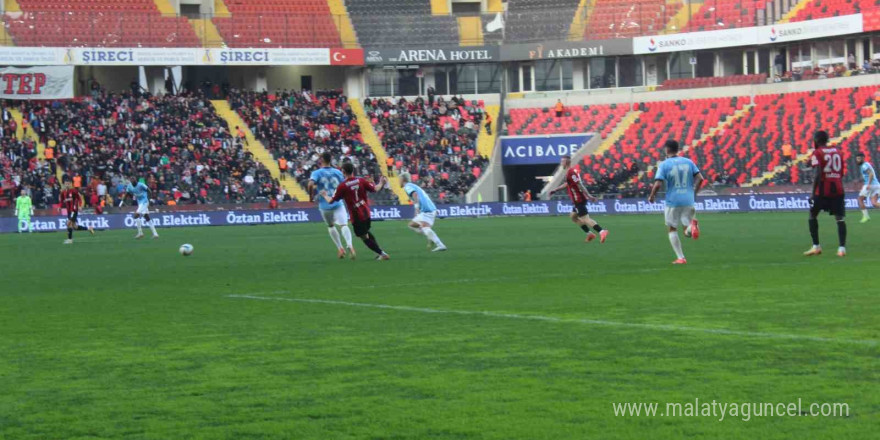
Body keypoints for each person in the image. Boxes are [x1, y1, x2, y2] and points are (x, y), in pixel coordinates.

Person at [648, 140, 703, 264]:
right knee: (686, 232)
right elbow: (700, 178)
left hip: (673, 201)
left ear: (667, 149)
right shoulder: (689, 162)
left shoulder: (664, 164)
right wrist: (694, 193)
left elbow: (657, 184)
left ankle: (681, 258)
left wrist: (652, 196)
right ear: (677, 149)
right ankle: (692, 227)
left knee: (672, 229)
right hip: (688, 200)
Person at [321, 162, 389, 260]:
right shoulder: (361, 181)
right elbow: (376, 188)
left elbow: (331, 201)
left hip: (357, 216)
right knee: (366, 233)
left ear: (343, 172)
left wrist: (324, 195)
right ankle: (380, 253)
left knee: (364, 237)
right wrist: (382, 182)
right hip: (366, 212)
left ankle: (382, 254)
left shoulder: (342, 186)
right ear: (353, 170)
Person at [804, 131, 847, 257]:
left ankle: (816, 246)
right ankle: (842, 249)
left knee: (812, 215)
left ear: (816, 140)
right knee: (839, 218)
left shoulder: (817, 152)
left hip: (822, 189)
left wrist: (813, 193)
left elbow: (817, 173)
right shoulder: (838, 151)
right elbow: (841, 172)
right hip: (838, 188)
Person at [548, 155, 608, 244]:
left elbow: (580, 184)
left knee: (585, 219)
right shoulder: (570, 172)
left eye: (562, 161)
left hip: (579, 199)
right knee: (573, 217)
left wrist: (589, 196)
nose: (561, 163)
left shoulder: (571, 173)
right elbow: (567, 184)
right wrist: (555, 190)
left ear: (566, 162)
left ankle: (602, 231)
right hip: (577, 200)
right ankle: (590, 234)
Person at [308, 152, 355, 259]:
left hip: (324, 205)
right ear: (331, 160)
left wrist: (310, 197)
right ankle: (350, 246)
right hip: (337, 202)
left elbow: (310, 184)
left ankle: (340, 248)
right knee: (344, 225)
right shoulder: (337, 172)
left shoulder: (317, 173)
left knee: (331, 226)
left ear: (321, 160)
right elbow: (345, 185)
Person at [400, 172, 446, 252]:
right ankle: (430, 236)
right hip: (430, 209)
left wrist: (416, 208)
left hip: (427, 210)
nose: (398, 181)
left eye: (399, 179)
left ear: (403, 179)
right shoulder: (413, 185)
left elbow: (414, 194)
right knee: (412, 225)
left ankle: (439, 244)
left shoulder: (407, 186)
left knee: (422, 227)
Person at [856, 152, 880, 223]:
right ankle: (866, 217)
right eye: (857, 159)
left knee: (860, 199)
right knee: (874, 203)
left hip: (870, 185)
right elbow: (867, 175)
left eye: (859, 158)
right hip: (876, 185)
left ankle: (866, 217)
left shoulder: (864, 165)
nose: (858, 160)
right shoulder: (866, 164)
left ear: (863, 158)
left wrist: (868, 184)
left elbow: (871, 174)